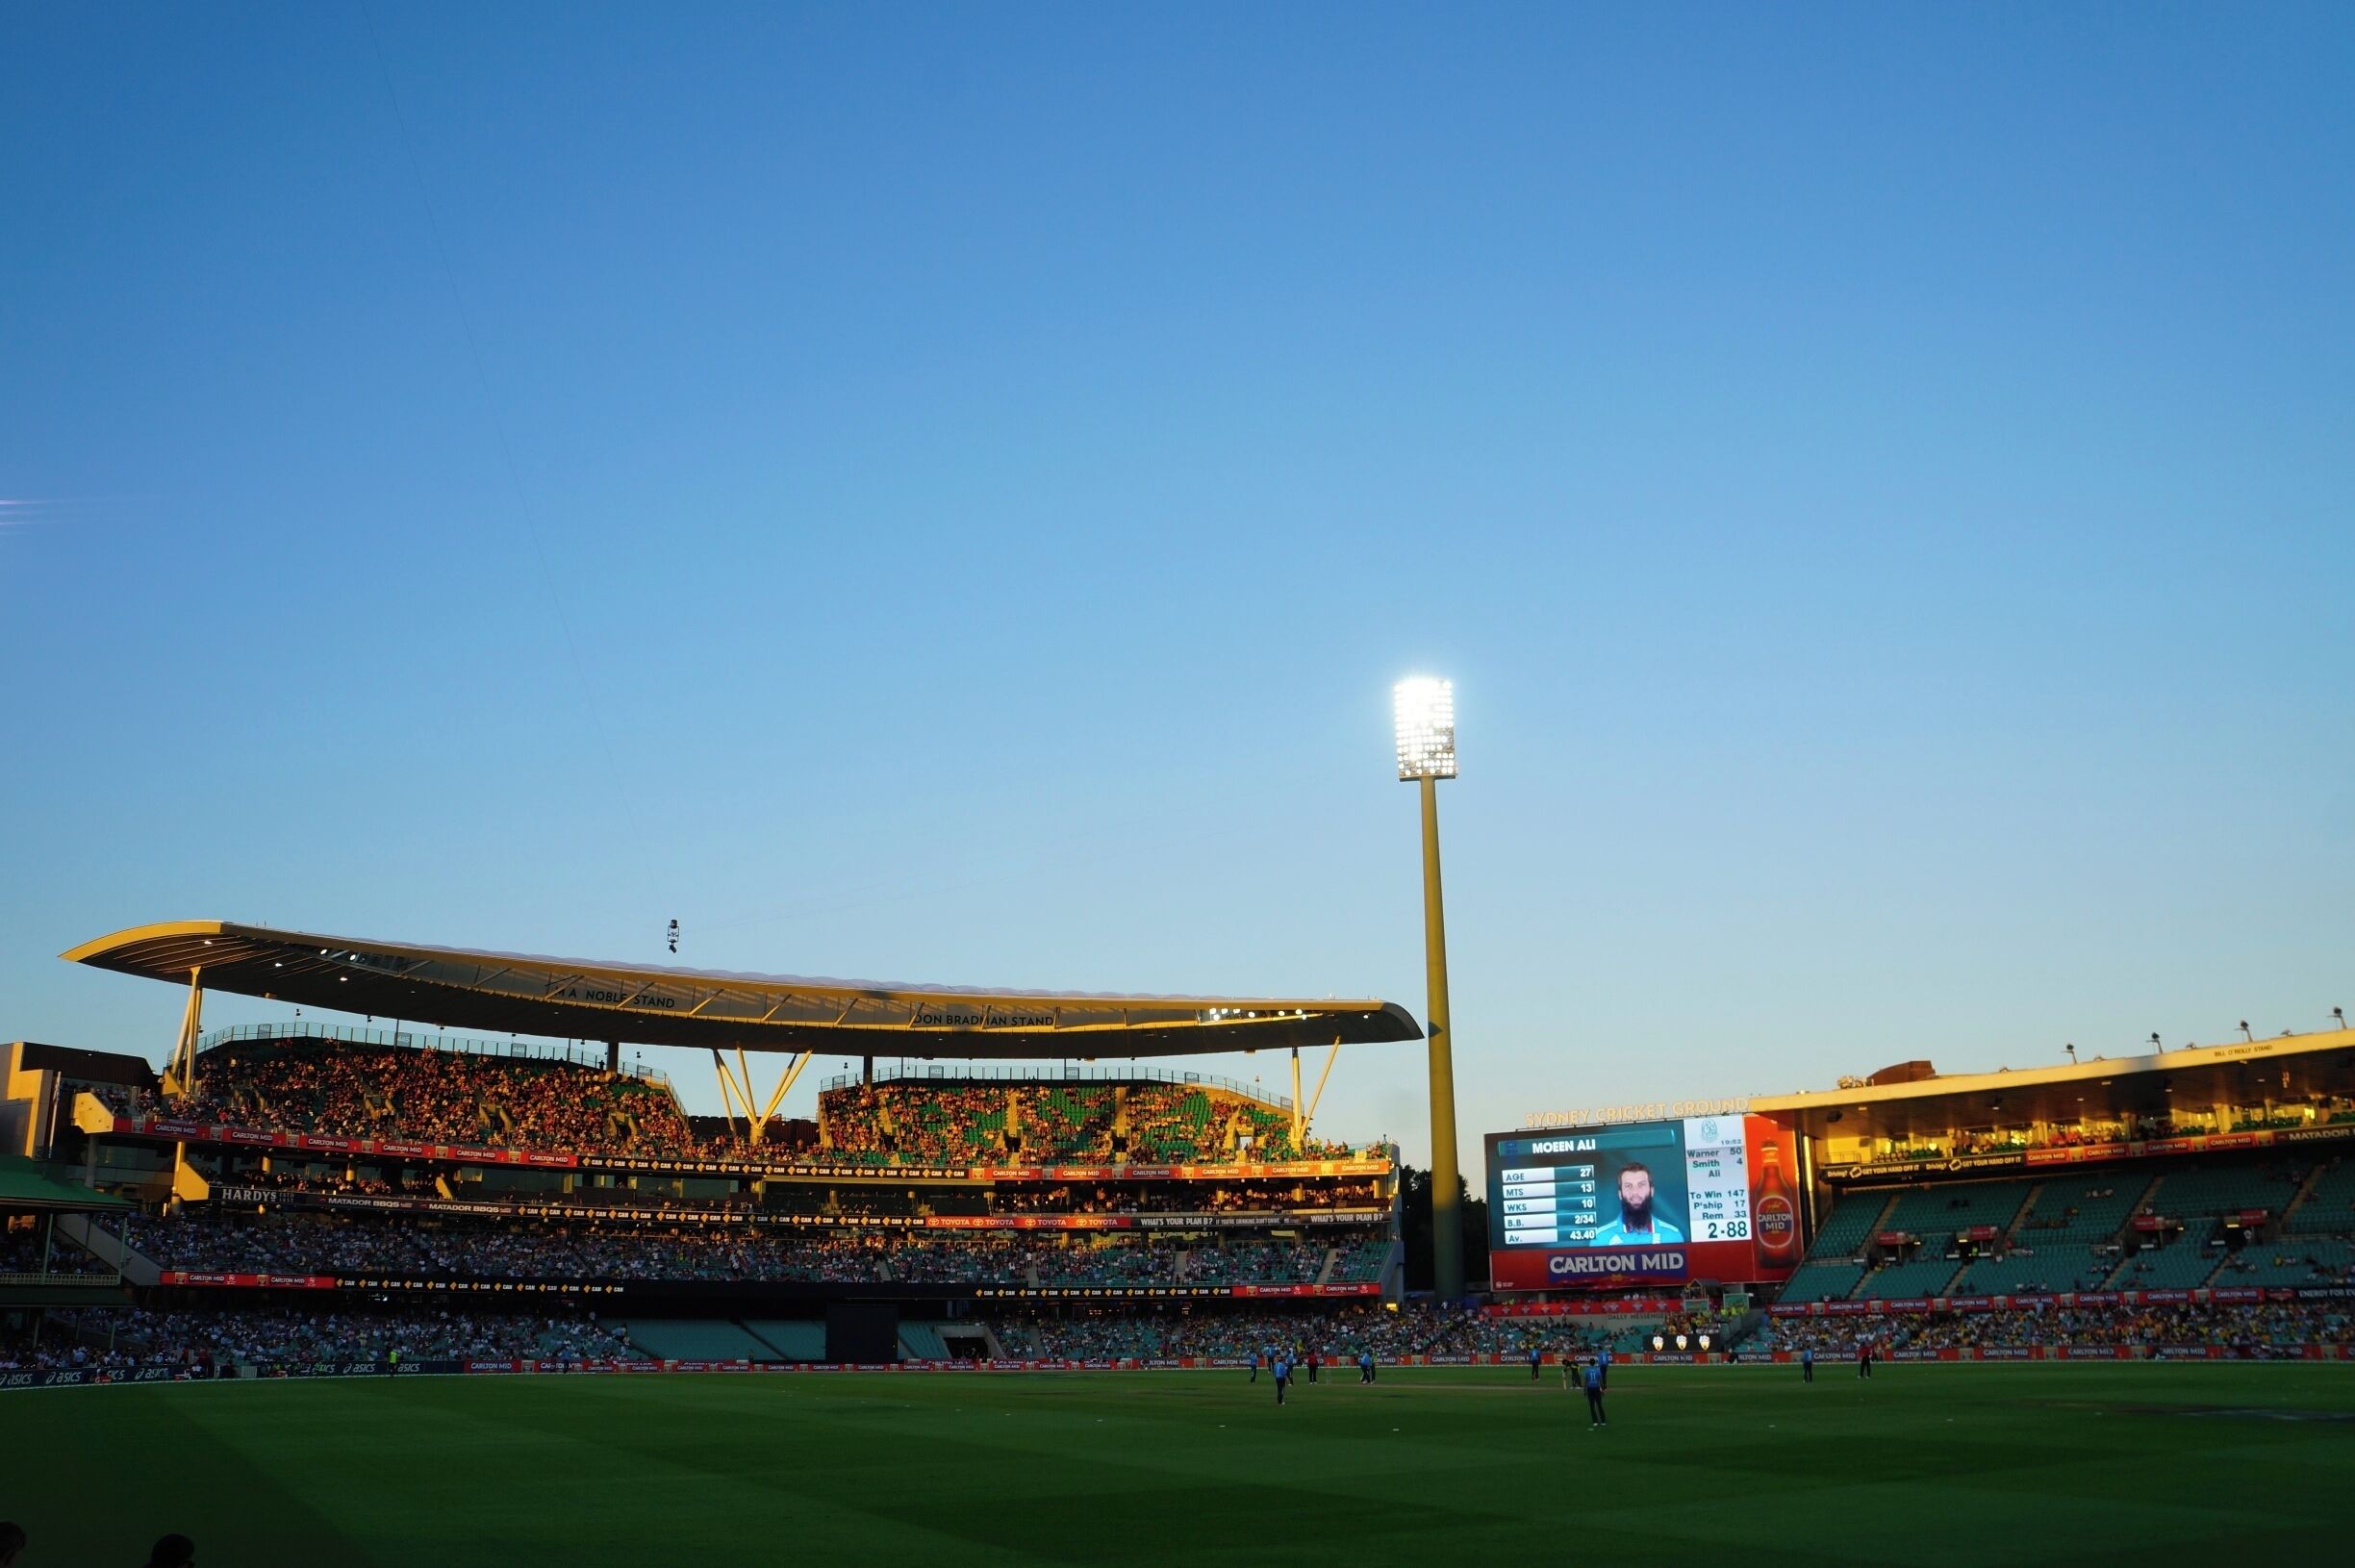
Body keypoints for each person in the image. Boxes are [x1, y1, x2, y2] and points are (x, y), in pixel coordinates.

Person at [1589, 1162, 1685, 1245]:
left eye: (1641, 1185)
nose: (1635, 1192)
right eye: (1628, 1186)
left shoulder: (1672, 1236)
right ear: (1620, 1194)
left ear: (1651, 1191)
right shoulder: (1601, 1238)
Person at [1581, 1355, 1608, 1428]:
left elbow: (1585, 1381)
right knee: (1599, 1405)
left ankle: (1595, 1421)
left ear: (1589, 1363)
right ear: (1595, 1363)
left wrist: (1584, 1390)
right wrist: (1602, 1389)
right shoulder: (1598, 1370)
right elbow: (1601, 1380)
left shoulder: (1586, 1370)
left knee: (1592, 1406)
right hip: (1597, 1388)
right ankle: (1603, 1421)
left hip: (1590, 1388)